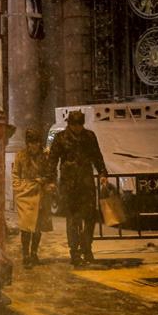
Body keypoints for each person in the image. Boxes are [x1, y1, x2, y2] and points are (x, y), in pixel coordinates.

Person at [47, 110, 108, 266]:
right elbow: (52, 160)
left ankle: (87, 248)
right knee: (73, 220)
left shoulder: (89, 136)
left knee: (89, 217)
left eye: (80, 125)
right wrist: (51, 180)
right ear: (69, 124)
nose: (78, 128)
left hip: (86, 182)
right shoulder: (60, 138)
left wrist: (102, 173)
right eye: (75, 125)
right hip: (69, 184)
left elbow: (97, 156)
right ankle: (74, 252)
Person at [11, 128, 54, 268]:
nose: (34, 145)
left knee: (37, 227)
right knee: (26, 226)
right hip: (26, 195)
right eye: (31, 143)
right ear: (27, 143)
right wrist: (20, 188)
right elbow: (16, 174)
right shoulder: (21, 156)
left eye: (36, 142)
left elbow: (51, 173)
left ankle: (34, 253)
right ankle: (26, 255)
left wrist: (45, 182)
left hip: (41, 194)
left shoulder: (45, 156)